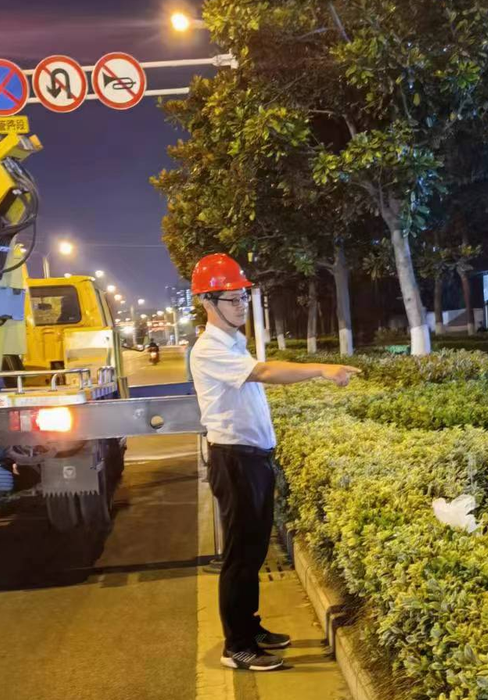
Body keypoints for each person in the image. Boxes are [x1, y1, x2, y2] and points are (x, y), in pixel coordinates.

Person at [189, 253, 361, 672]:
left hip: (251, 459)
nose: (241, 306)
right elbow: (264, 373)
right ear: (208, 303)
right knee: (239, 555)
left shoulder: (232, 342)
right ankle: (238, 647)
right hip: (234, 461)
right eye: (233, 299)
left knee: (253, 552)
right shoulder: (210, 348)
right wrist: (321, 369)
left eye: (243, 297)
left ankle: (250, 627)